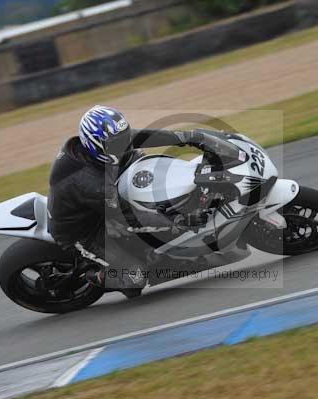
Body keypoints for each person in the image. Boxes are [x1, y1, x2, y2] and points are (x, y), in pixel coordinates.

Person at [47, 105, 216, 296]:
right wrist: (177, 220)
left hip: (98, 203)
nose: (124, 144)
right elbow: (127, 216)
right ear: (95, 143)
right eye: (118, 141)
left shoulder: (101, 146)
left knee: (144, 170)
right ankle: (96, 276)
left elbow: (137, 138)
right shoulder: (88, 182)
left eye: (122, 137)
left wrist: (184, 137)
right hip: (84, 231)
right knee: (135, 279)